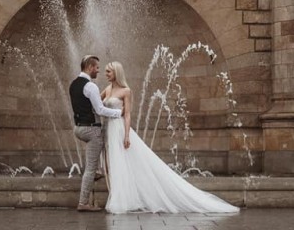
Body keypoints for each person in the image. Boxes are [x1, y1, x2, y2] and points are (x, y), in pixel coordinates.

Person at [100, 61, 239, 214]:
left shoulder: (126, 91)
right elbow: (97, 104)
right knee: (114, 163)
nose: (106, 74)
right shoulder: (107, 89)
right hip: (108, 129)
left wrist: (127, 135)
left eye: (109, 71)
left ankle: (121, 200)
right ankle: (120, 196)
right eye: (106, 71)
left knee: (121, 162)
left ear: (117, 72)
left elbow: (127, 115)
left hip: (119, 129)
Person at [69, 55, 122, 212]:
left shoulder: (73, 84)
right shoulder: (90, 86)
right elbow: (100, 110)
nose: (98, 71)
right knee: (90, 168)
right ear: (90, 67)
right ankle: (83, 202)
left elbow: (87, 106)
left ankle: (98, 171)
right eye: (97, 68)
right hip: (91, 129)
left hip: (78, 128)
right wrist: (119, 113)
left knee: (102, 141)